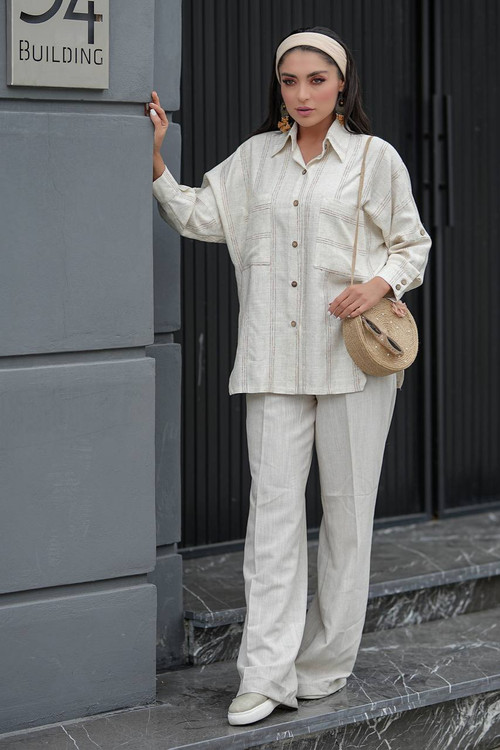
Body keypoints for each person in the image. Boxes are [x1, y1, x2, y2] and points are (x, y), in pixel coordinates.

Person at [149, 26, 431, 727]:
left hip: (352, 361)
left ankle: (324, 665)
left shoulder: (374, 158)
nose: (302, 93)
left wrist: (377, 284)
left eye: (316, 79)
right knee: (271, 518)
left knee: (347, 517)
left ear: (342, 83)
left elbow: (412, 244)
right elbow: (202, 215)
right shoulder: (255, 160)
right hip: (273, 357)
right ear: (278, 88)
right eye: (289, 80)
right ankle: (265, 675)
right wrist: (155, 161)